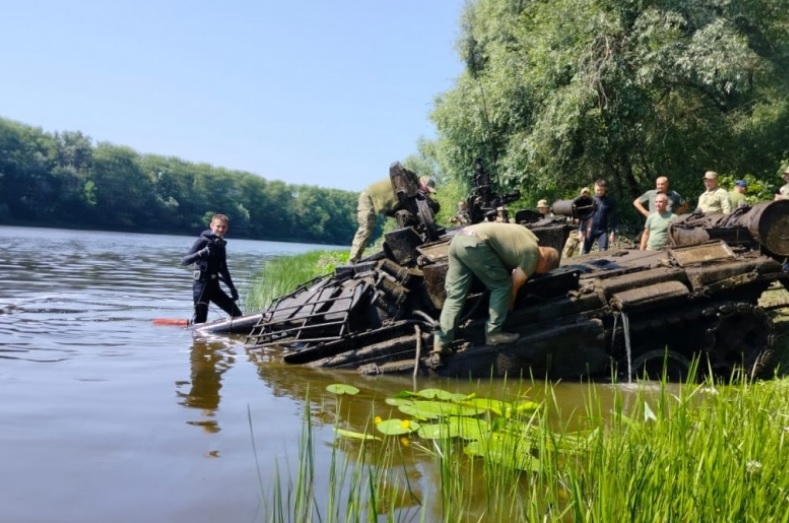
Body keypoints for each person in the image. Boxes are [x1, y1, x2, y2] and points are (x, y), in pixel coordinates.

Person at [434, 222, 560, 353]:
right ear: (544, 261)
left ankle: (442, 341)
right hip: (475, 244)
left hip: (458, 239)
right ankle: (493, 334)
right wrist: (509, 309)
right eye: (541, 271)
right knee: (502, 285)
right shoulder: (532, 255)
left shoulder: (529, 236)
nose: (536, 273)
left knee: (455, 296)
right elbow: (513, 285)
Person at [348, 174, 436, 263]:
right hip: (369, 197)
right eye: (427, 190)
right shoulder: (407, 179)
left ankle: (404, 253)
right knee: (365, 229)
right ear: (423, 183)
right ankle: (353, 261)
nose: (427, 193)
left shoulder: (411, 187)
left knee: (409, 220)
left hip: (389, 205)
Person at [181, 213, 242, 324]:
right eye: (218, 226)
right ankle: (199, 340)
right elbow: (184, 261)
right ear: (211, 226)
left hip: (214, 287)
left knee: (237, 315)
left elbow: (224, 269)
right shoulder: (203, 240)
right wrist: (201, 253)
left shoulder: (220, 244)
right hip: (201, 286)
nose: (221, 229)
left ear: (227, 228)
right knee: (200, 322)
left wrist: (232, 289)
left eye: (223, 227)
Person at [581, 180, 617, 254]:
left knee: (603, 252)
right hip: (590, 230)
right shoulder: (589, 200)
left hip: (602, 231)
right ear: (594, 188)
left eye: (601, 190)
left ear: (605, 189)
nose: (599, 192)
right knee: (584, 252)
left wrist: (613, 232)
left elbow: (613, 218)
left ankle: (603, 265)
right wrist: (581, 231)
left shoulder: (609, 201)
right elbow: (584, 217)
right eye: (598, 190)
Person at [562, 187, 590, 259]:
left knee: (583, 254)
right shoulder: (575, 203)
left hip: (585, 232)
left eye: (586, 194)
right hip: (574, 231)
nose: (585, 195)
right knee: (566, 253)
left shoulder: (591, 205)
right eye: (583, 193)